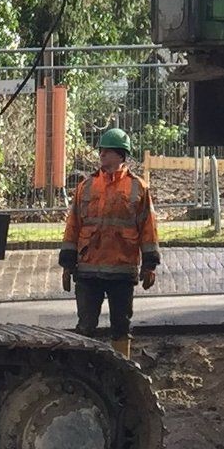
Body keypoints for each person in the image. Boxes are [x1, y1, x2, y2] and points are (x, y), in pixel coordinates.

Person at [57, 126, 159, 355]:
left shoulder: (138, 188)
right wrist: (67, 264)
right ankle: (84, 368)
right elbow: (73, 225)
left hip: (121, 270)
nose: (102, 154)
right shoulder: (86, 186)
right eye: (101, 150)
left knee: (121, 327)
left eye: (108, 150)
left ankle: (123, 367)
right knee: (85, 327)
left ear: (121, 155)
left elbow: (148, 229)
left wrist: (150, 265)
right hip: (88, 270)